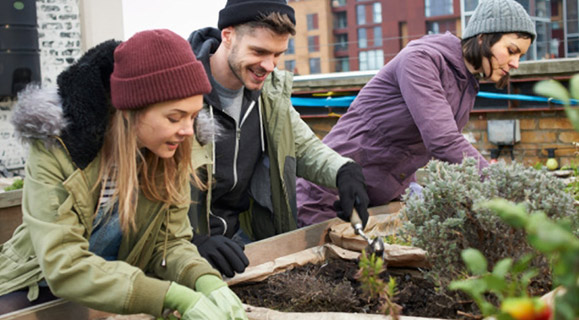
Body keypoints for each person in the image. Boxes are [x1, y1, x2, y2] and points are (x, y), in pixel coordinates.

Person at [0, 29, 247, 319]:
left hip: (125, 285)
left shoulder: (172, 148)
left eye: (193, 116)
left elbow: (170, 244)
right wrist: (171, 295)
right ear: (131, 111)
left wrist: (205, 280)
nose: (188, 131)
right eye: (174, 117)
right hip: (38, 284)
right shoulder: (57, 149)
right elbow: (63, 264)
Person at [296, 0, 536, 226]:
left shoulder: (466, 82)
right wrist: (503, 188)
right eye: (511, 50)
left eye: (520, 56)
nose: (515, 63)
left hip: (375, 199)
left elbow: (414, 147)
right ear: (483, 37)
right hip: (329, 194)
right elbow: (442, 140)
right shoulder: (422, 59)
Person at [186, 0, 370, 278]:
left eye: (278, 55)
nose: (269, 66)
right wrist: (190, 241)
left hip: (239, 242)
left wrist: (344, 171)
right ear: (228, 35)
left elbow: (305, 146)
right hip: (182, 249)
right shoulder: (181, 90)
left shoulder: (269, 93)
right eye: (259, 51)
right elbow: (145, 187)